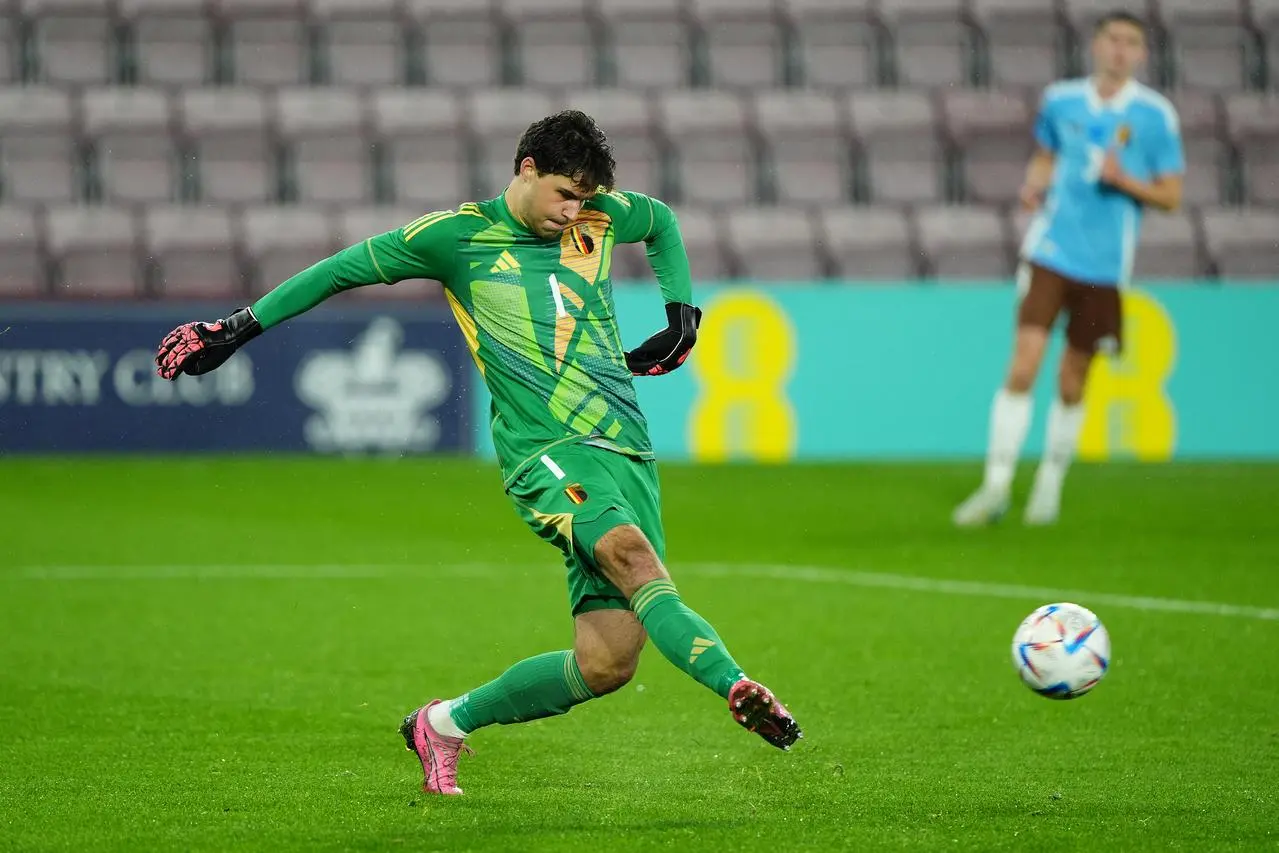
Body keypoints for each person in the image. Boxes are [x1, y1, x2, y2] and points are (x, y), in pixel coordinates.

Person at [154, 110, 801, 796]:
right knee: (633, 558)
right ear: (525, 168)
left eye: (583, 199)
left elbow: (663, 222)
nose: (573, 211)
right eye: (562, 194)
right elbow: (338, 271)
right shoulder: (454, 238)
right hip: (544, 452)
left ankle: (443, 722)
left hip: (626, 451)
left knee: (606, 663)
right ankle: (735, 685)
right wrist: (236, 328)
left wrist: (682, 316)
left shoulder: (601, 214)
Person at [953, 10, 1184, 527]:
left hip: (1104, 269)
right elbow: (1046, 154)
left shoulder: (1155, 116)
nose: (1121, 50)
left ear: (1142, 54)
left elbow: (1171, 195)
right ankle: (995, 486)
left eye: (1131, 42)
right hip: (1050, 253)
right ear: (1097, 46)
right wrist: (1034, 184)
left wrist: (1125, 181)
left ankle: (1049, 486)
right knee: (1023, 364)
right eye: (1113, 40)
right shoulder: (1061, 100)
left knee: (1073, 379)